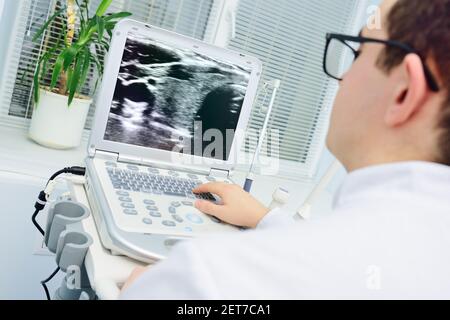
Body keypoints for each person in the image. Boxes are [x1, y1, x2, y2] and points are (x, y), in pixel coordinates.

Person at [120, 0, 450, 299]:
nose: (340, 79)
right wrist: (266, 219)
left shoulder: (208, 280)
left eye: (359, 52)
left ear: (404, 92)